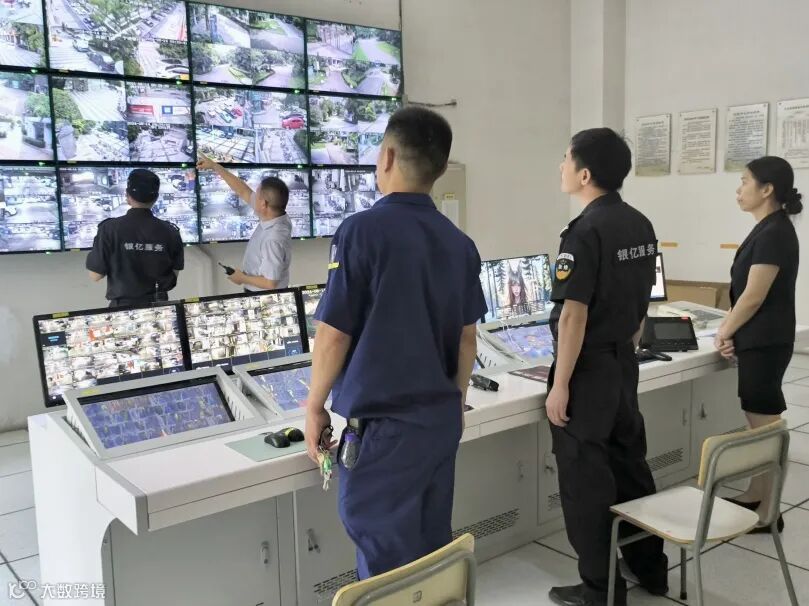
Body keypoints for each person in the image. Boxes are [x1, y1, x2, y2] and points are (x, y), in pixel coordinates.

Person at [304, 106, 486, 580]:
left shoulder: (361, 231)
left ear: (386, 156)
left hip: (384, 432)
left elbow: (333, 335)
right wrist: (455, 401)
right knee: (430, 553)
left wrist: (314, 407)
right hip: (439, 423)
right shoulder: (460, 243)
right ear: (440, 169)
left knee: (386, 566)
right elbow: (467, 339)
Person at [545, 128, 668, 606]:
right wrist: (623, 350)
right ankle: (651, 569)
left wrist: (561, 384)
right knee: (630, 468)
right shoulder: (640, 224)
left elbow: (572, 316)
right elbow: (641, 304)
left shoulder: (583, 232)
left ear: (585, 174)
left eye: (565, 158)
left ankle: (600, 590)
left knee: (586, 484)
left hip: (589, 371)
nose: (561, 166)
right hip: (622, 363)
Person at [715, 156, 802, 533]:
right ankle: (756, 494)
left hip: (766, 342)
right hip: (761, 339)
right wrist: (732, 329)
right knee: (759, 426)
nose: (739, 189)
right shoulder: (769, 228)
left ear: (767, 189)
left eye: (745, 182)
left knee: (767, 429)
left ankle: (769, 513)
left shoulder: (774, 233)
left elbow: (753, 296)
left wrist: (724, 331)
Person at [86, 169, 184, 308]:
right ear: (156, 198)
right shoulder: (171, 231)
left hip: (122, 310)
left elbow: (95, 276)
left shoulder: (109, 229)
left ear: (127, 196)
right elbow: (173, 275)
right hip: (161, 308)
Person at [196, 154, 292, 291]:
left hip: (264, 296)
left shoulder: (273, 238)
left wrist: (242, 278)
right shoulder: (277, 216)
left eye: (256, 195)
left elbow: (270, 283)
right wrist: (215, 166)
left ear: (263, 204)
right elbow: (242, 190)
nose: (253, 196)